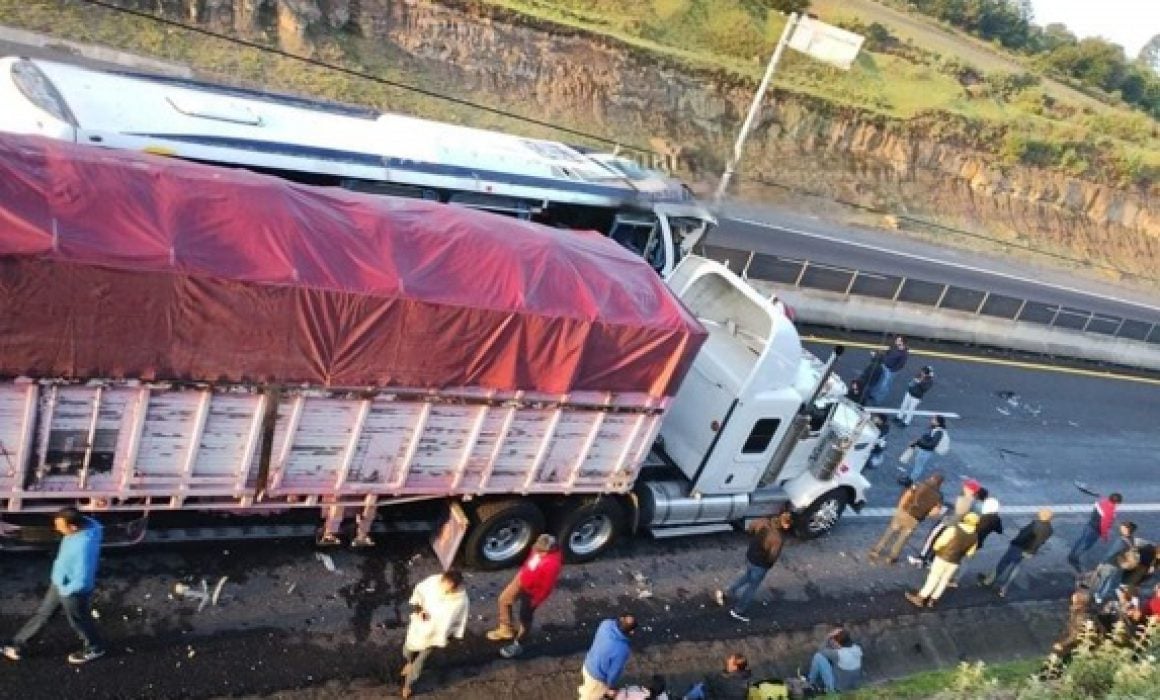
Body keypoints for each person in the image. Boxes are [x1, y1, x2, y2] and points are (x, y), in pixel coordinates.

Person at [2, 507, 105, 664]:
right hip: (61, 582)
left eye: (61, 526)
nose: (57, 528)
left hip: (72, 591)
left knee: (78, 620)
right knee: (44, 613)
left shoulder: (83, 547)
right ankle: (19, 645)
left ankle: (95, 647)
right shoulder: (88, 526)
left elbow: (82, 579)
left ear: (73, 527)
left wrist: (65, 590)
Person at [488, 533, 564, 658]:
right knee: (504, 599)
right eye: (537, 549)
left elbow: (546, 588)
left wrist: (534, 601)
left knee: (525, 619)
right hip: (522, 578)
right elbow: (531, 559)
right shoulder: (538, 549)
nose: (537, 552)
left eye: (541, 551)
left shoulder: (552, 564)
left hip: (532, 593)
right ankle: (505, 629)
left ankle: (518, 644)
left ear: (550, 550)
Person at [401, 569, 469, 699]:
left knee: (419, 663)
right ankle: (409, 662)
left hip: (436, 636)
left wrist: (449, 636)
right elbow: (418, 594)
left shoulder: (460, 601)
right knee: (407, 651)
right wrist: (419, 610)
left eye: (448, 588)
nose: (444, 589)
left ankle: (408, 685)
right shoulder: (432, 583)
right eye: (444, 584)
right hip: (419, 629)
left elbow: (459, 620)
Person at [715, 510, 794, 622]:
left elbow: (751, 527)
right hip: (760, 564)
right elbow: (772, 556)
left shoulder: (764, 521)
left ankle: (727, 592)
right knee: (752, 588)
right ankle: (738, 610)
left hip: (750, 556)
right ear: (785, 524)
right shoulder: (777, 539)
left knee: (747, 576)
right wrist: (768, 566)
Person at [905, 512, 979, 608]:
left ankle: (921, 598)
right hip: (955, 561)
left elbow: (941, 541)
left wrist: (936, 549)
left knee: (934, 577)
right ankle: (933, 600)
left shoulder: (954, 529)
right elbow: (970, 553)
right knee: (944, 580)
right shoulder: (975, 536)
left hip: (943, 557)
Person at [869, 473, 945, 565]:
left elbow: (906, 496)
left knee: (890, 531)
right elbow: (935, 512)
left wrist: (900, 508)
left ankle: (876, 550)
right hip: (915, 518)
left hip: (904, 511)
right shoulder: (939, 497)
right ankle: (892, 557)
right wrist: (924, 514)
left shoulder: (918, 485)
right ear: (940, 484)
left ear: (931, 478)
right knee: (903, 538)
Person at [980, 509, 1054, 597]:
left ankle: (989, 580)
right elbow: (1042, 541)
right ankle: (1003, 589)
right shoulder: (1050, 529)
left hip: (1018, 547)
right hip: (1030, 552)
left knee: (1004, 563)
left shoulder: (1035, 524)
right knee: (1015, 568)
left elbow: (1023, 535)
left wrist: (1014, 542)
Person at [910, 478, 980, 569]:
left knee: (932, 538)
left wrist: (946, 510)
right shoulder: (972, 501)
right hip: (953, 525)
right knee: (939, 542)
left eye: (966, 486)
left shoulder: (965, 500)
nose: (964, 487)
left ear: (970, 490)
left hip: (947, 522)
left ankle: (922, 558)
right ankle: (930, 561)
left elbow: (957, 514)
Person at [580, 614, 637, 700]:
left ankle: (584, 691)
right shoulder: (622, 649)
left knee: (588, 686)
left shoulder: (605, 624)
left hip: (588, 663)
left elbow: (612, 622)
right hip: (596, 678)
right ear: (631, 632)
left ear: (621, 619)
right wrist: (610, 686)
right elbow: (614, 672)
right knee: (590, 697)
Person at [950, 496, 1003, 586]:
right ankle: (956, 579)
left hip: (967, 539)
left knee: (957, 557)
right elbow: (1000, 531)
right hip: (977, 543)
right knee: (965, 562)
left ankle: (950, 575)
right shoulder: (996, 519)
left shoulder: (981, 517)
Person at [1068, 493, 1122, 572]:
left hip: (1089, 525)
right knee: (1087, 545)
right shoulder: (1109, 511)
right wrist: (1104, 536)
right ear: (1117, 503)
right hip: (1096, 530)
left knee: (1081, 540)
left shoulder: (1103, 502)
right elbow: (1104, 525)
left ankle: (1072, 554)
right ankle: (1074, 557)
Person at [806, 627, 864, 694]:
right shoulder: (857, 649)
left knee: (818, 657)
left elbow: (820, 650)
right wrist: (841, 632)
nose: (832, 642)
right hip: (852, 685)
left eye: (834, 640)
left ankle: (810, 683)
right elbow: (844, 637)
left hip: (839, 688)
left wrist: (828, 637)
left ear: (838, 643)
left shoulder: (837, 654)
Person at [1091, 522, 1138, 604]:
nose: (1121, 528)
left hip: (1111, 563)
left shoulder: (1121, 541)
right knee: (1110, 581)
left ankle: (1098, 594)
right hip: (1121, 564)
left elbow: (1111, 553)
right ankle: (1100, 597)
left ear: (1128, 530)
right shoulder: (1131, 539)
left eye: (1123, 527)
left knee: (1103, 579)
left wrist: (1102, 563)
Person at [900, 416, 948, 486]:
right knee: (917, 465)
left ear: (938, 422)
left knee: (919, 466)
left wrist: (919, 443)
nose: (932, 420)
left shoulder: (938, 432)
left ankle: (910, 481)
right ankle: (910, 478)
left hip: (926, 451)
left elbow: (931, 445)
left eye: (934, 419)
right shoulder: (935, 429)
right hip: (924, 450)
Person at [683, 653, 752, 700]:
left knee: (700, 687)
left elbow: (710, 681)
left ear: (735, 667)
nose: (727, 661)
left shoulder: (724, 679)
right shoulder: (745, 681)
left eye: (730, 660)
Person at [872, 335, 909, 402]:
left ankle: (878, 399)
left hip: (891, 371)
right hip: (884, 366)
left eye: (898, 340)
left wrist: (892, 370)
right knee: (879, 381)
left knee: (884, 386)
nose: (896, 341)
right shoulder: (893, 347)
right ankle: (873, 394)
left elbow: (901, 365)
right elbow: (886, 354)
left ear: (902, 342)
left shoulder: (904, 353)